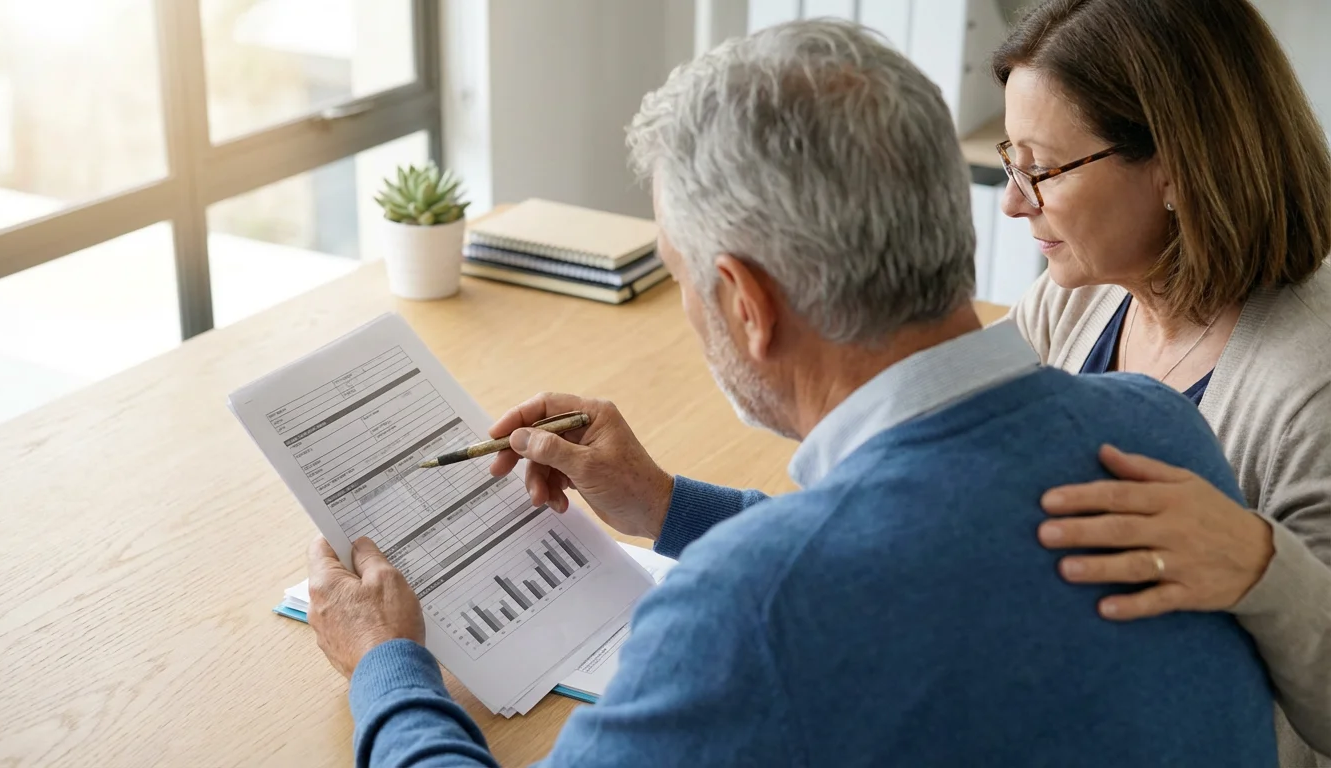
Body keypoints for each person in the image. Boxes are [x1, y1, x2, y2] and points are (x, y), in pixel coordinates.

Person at [306, 19, 1278, 767]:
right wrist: (668, 506)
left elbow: (835, 586)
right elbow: (918, 561)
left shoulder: (747, 610)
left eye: (682, 278)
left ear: (744, 301)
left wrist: (387, 668)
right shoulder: (1158, 426)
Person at [991, 1, 1331, 764]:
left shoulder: (1315, 388)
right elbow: (921, 464)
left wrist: (1256, 567)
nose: (1014, 200)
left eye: (1039, 168)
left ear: (1176, 168)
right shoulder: (1073, 299)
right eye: (1012, 162)